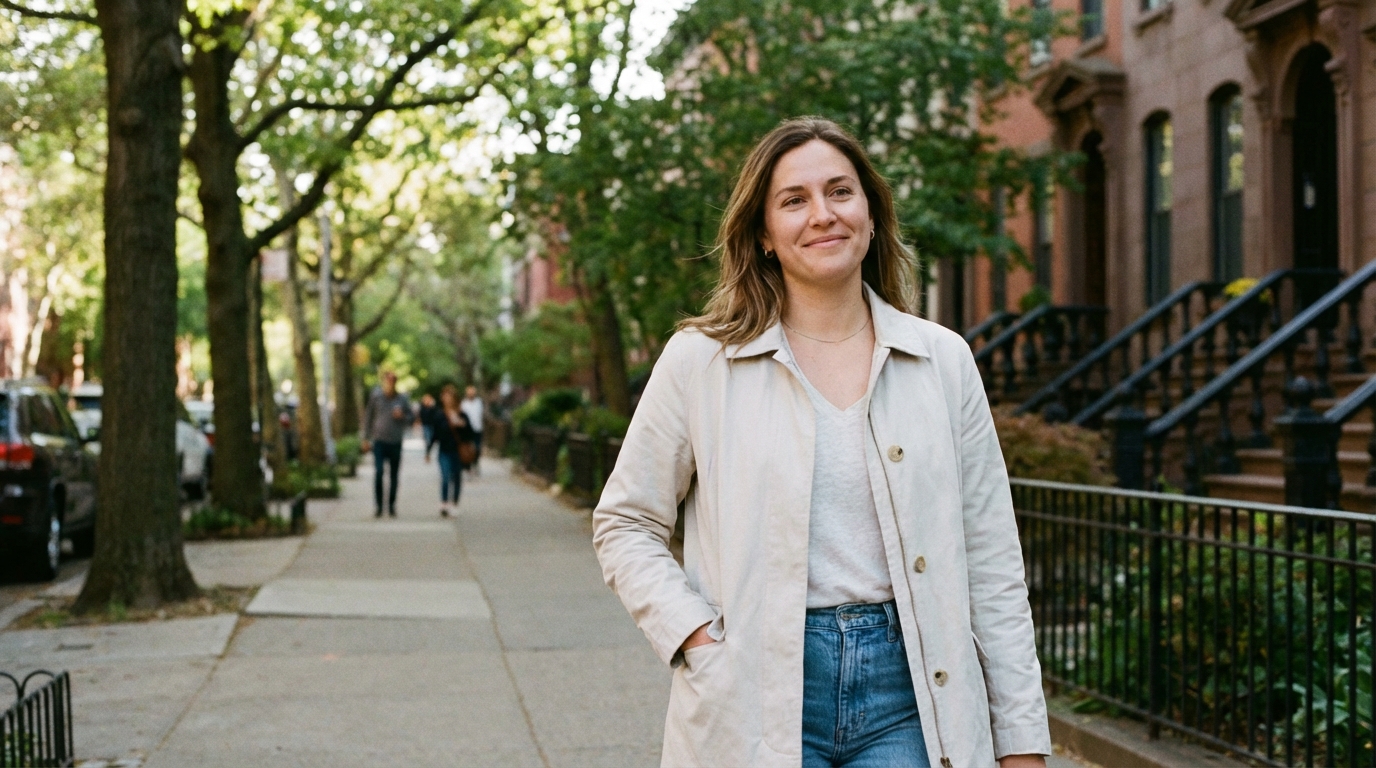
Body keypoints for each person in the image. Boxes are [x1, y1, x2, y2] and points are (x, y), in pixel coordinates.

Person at [592, 118, 1049, 768]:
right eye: (794, 200)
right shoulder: (701, 362)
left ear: (870, 211)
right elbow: (626, 522)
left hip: (914, 693)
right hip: (753, 687)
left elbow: (993, 560)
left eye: (840, 191)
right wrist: (697, 638)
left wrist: (1022, 743)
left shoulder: (942, 361)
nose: (823, 215)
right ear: (765, 234)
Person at [362, 370, 413, 518]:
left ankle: (391, 505)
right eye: (388, 381)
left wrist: (402, 416)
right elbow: (368, 417)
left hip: (395, 442)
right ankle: (378, 506)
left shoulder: (402, 399)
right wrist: (365, 438)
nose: (390, 383)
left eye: (393, 381)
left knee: (394, 475)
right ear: (384, 381)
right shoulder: (376, 397)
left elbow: (411, 418)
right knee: (378, 472)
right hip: (379, 441)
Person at [425, 384, 475, 517]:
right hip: (444, 451)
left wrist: (461, 425)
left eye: (450, 396)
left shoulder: (462, 414)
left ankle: (455, 503)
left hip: (457, 451)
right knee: (445, 476)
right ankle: (444, 502)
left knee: (457, 477)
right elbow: (435, 434)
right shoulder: (439, 415)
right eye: (445, 396)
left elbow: (470, 434)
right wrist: (428, 451)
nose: (448, 399)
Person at [459, 385, 485, 476]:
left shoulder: (479, 402)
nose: (471, 394)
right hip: (467, 430)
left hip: (477, 428)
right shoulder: (464, 403)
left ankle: (475, 462)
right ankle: (468, 466)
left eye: (472, 393)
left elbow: (481, 414)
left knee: (477, 448)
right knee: (468, 448)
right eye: (469, 393)